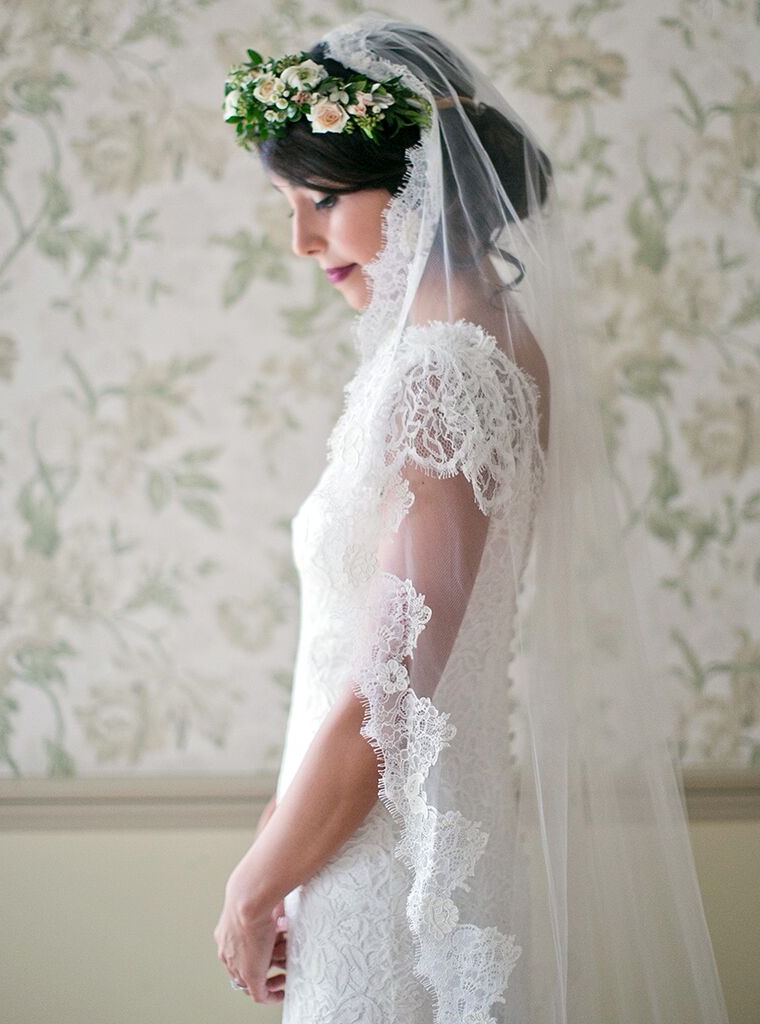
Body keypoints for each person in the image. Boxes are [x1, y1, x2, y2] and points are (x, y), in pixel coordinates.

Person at [213, 15, 729, 1024]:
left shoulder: (445, 373)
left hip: (389, 866)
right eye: (289, 206)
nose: (301, 241)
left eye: (322, 201)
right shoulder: (496, 344)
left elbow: (389, 699)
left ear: (414, 178)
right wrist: (280, 839)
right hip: (373, 837)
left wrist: (250, 888)